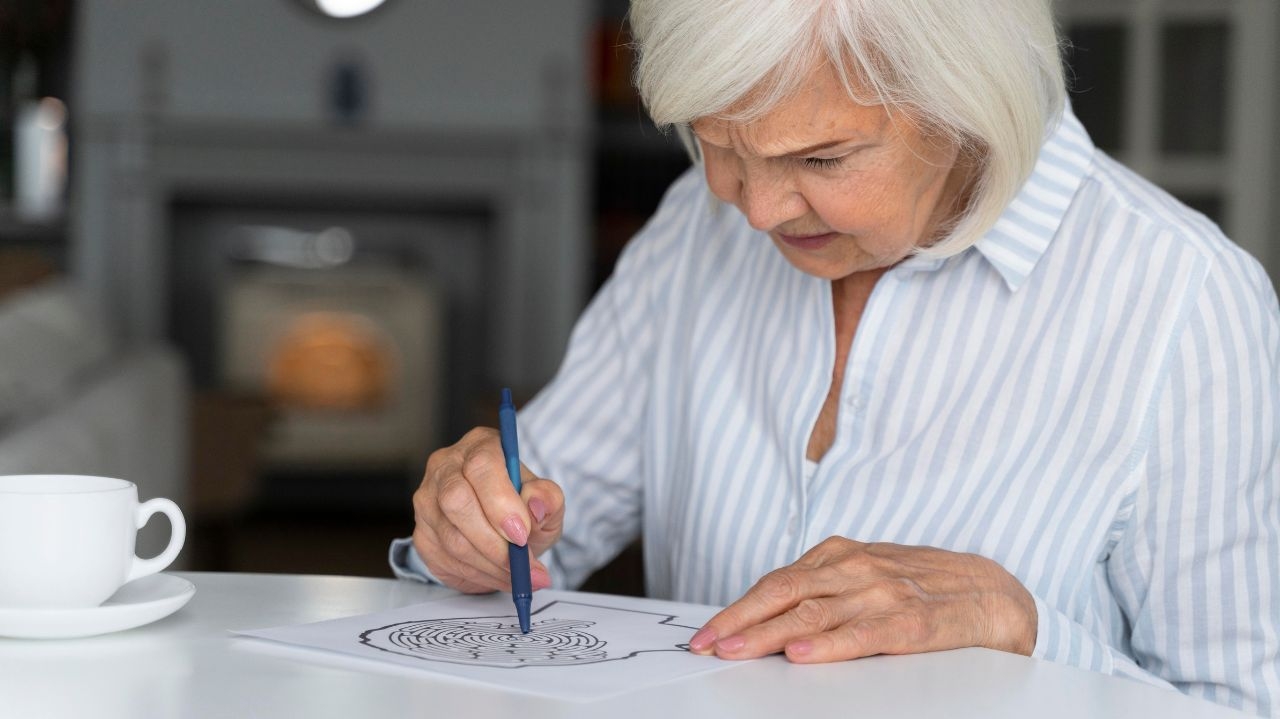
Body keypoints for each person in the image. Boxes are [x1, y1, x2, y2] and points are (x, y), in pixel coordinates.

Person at [390, 0, 1280, 714]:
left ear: (969, 106)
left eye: (822, 156)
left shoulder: (1186, 302)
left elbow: (1238, 703)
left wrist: (1023, 629)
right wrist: (473, 531)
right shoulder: (692, 228)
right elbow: (543, 520)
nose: (759, 210)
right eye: (721, 145)